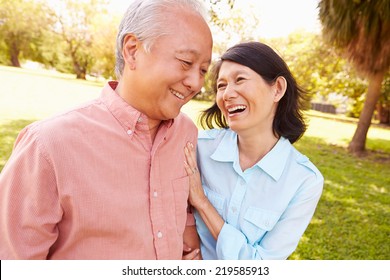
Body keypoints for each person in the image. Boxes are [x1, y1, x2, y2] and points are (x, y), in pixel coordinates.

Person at [0, 0, 212, 260]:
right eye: (185, 62)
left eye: (203, 70)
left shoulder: (186, 134)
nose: (196, 83)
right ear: (132, 50)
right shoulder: (47, 145)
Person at [184, 42, 324, 260]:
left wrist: (202, 203)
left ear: (277, 89)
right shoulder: (197, 147)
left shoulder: (304, 181)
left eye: (240, 80)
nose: (227, 94)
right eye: (221, 85)